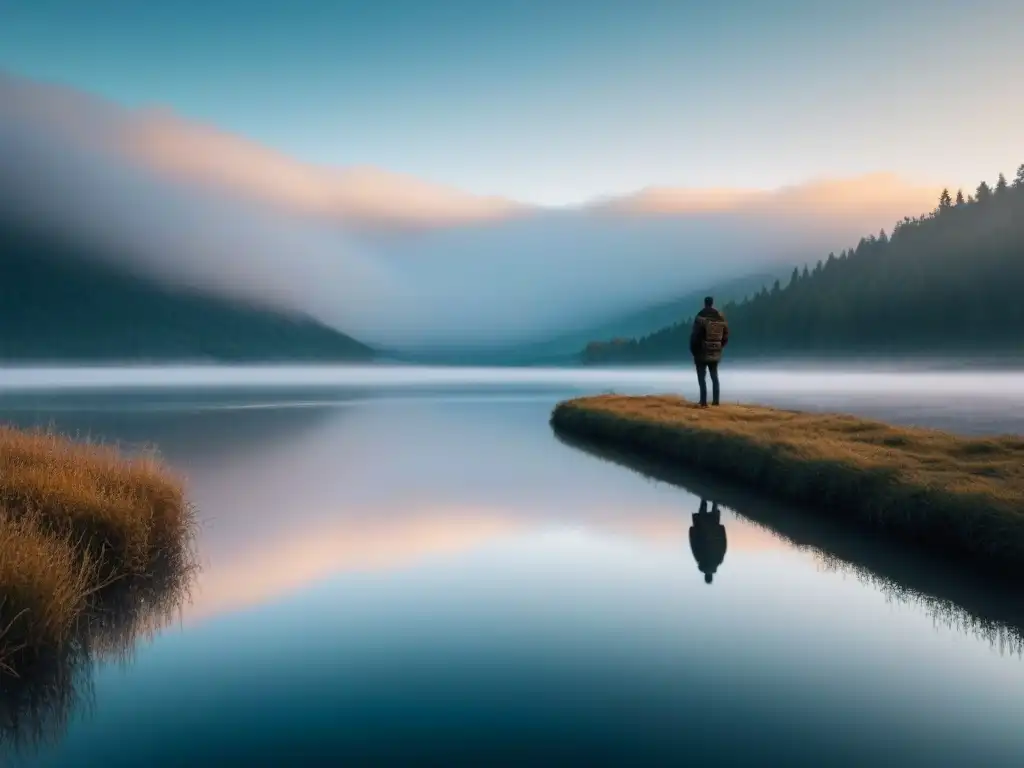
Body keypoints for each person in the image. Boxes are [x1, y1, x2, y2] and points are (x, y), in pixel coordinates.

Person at [689, 296, 729, 407]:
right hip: (716, 350)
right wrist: (720, 346)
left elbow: (695, 336)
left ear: (705, 303)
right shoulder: (720, 317)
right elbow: (725, 335)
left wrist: (694, 350)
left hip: (702, 351)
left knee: (702, 377)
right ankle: (716, 401)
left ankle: (703, 402)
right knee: (714, 376)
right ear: (712, 303)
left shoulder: (700, 316)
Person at [689, 498, 728, 584]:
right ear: (705, 576)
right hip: (702, 533)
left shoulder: (718, 561)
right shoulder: (700, 560)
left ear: (711, 576)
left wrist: (722, 531)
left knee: (713, 514)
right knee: (702, 514)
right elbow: (694, 546)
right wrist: (691, 532)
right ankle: (704, 497)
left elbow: (723, 547)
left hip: (715, 534)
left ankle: (714, 499)